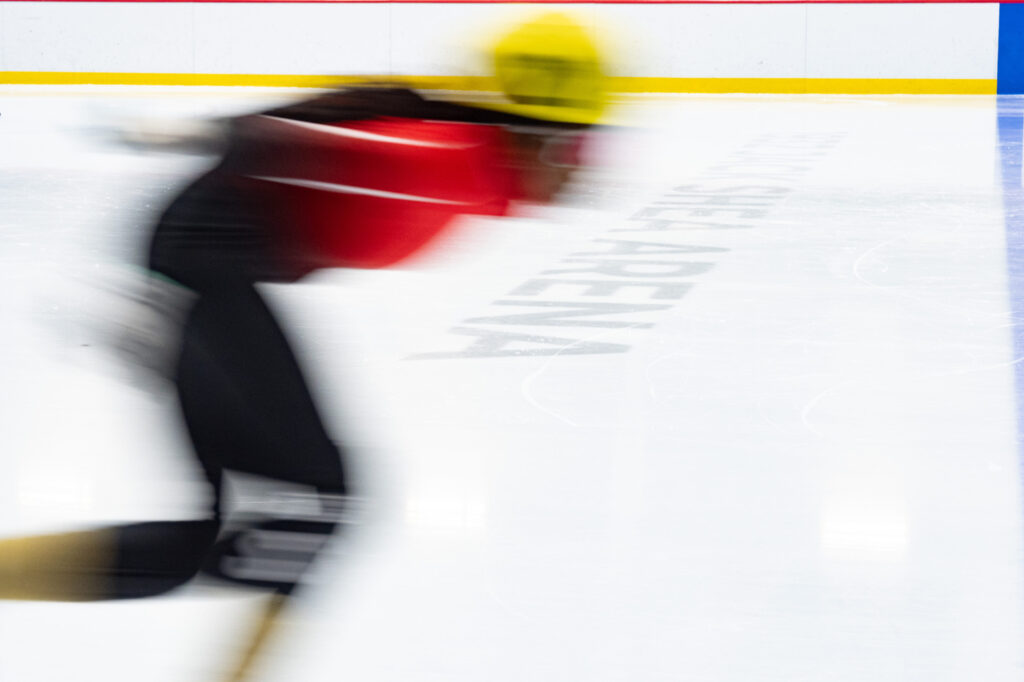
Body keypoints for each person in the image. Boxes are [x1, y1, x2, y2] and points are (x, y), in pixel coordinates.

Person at [0, 11, 610, 682]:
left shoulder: (465, 159)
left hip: (198, 262)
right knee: (318, 505)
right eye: (582, 150)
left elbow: (331, 122)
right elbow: (274, 142)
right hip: (199, 264)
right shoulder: (448, 158)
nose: (587, 174)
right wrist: (189, 143)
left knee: (229, 539)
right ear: (536, 135)